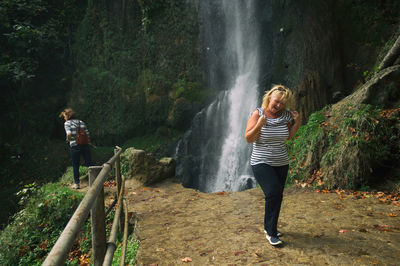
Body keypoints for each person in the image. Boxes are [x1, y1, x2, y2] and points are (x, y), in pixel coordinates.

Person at [244, 84, 300, 246]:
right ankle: (270, 233)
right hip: (261, 161)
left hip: (281, 162)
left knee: (277, 196)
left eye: (282, 104)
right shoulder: (258, 114)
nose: (278, 106)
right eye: (276, 102)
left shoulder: (286, 116)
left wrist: (297, 122)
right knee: (274, 192)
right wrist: (259, 125)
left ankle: (271, 227)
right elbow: (248, 138)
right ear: (269, 98)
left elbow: (288, 137)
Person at [59, 108, 92, 189]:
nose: (64, 118)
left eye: (64, 116)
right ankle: (94, 181)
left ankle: (77, 184)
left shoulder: (67, 123)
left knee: (75, 165)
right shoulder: (81, 122)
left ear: (68, 115)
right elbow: (87, 134)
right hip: (85, 145)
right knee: (89, 163)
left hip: (75, 146)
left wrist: (68, 139)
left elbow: (69, 133)